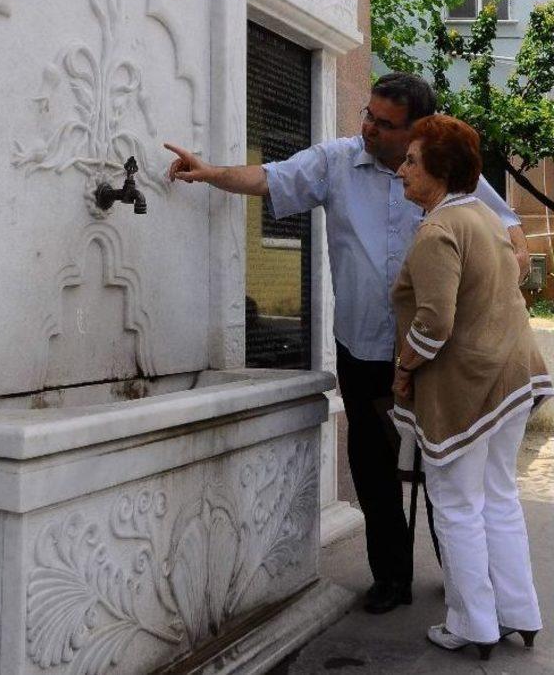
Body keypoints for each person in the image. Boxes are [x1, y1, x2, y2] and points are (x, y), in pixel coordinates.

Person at [165, 73, 529, 614]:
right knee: (374, 465)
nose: (368, 129)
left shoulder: (443, 167)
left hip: (434, 352)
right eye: (368, 114)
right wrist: (211, 172)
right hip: (363, 348)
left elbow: (509, 228)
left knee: (442, 470)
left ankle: (461, 584)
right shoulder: (338, 160)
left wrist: (510, 272)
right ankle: (391, 578)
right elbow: (271, 177)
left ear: (416, 133)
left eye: (385, 124)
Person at [392, 114, 551, 659]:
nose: (402, 171)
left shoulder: (438, 228)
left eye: (412, 161)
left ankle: (472, 624)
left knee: (457, 503)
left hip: (469, 385)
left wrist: (405, 368)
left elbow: (434, 321)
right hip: (513, 377)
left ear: (440, 171)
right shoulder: (484, 215)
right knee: (499, 497)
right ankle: (519, 614)